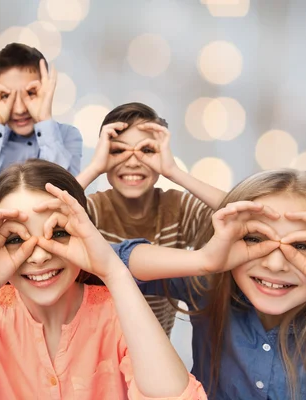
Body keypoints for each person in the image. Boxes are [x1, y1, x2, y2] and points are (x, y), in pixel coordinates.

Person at [0, 159, 207, 399]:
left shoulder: (116, 312)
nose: (39, 256)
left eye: (58, 233)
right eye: (16, 238)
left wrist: (114, 272)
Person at [113, 169, 306, 399]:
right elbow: (104, 262)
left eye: (302, 246)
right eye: (254, 238)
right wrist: (202, 261)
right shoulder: (210, 283)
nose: (275, 264)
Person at [76, 102, 226, 336]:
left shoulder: (178, 209)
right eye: (118, 151)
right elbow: (42, 216)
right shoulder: (91, 209)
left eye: (146, 150)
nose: (133, 161)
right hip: (95, 350)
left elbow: (247, 213)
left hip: (156, 351)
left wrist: (173, 171)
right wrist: (94, 167)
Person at [0, 43, 83, 216]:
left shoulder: (68, 135)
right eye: (5, 96)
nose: (19, 109)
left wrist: (44, 119)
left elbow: (59, 202)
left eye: (31, 92)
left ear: (46, 90)